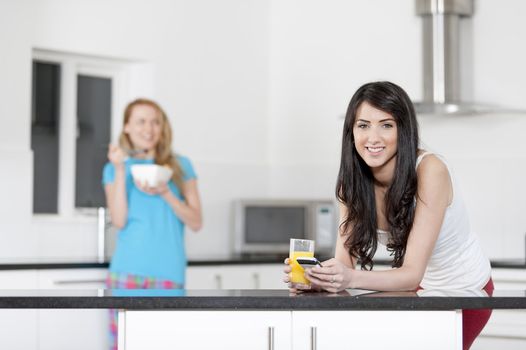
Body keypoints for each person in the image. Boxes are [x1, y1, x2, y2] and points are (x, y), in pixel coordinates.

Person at [283, 81, 492, 350]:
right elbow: (344, 263)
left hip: (464, 291)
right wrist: (319, 280)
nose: (373, 138)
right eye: (363, 125)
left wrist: (349, 278)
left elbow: (411, 273)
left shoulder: (430, 170)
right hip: (415, 292)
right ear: (351, 131)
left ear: (403, 130)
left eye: (386, 125)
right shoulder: (352, 183)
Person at [102, 98, 202, 350]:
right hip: (126, 275)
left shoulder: (181, 166)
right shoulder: (114, 169)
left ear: (163, 127)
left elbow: (196, 221)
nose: (149, 128)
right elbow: (119, 220)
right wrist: (121, 169)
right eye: (141, 121)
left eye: (155, 122)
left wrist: (166, 192)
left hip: (169, 275)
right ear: (127, 127)